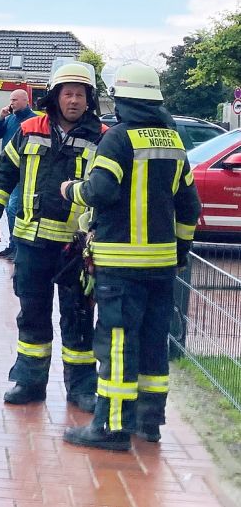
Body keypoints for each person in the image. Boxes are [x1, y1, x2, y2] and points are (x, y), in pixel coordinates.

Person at [61, 64, 201, 451]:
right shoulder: (173, 141)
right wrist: (178, 253)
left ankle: (111, 427)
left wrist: (72, 189)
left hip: (120, 266)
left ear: (122, 100)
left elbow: (101, 191)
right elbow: (190, 207)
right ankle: (149, 423)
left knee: (117, 344)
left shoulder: (118, 139)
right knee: (154, 342)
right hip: (160, 266)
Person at [0, 62, 106, 413]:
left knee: (79, 317)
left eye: (80, 94)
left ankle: (81, 389)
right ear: (55, 95)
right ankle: (30, 382)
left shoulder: (103, 136)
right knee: (32, 313)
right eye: (68, 93)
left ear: (89, 99)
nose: (74, 100)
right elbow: (5, 173)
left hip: (76, 248)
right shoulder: (29, 128)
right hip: (32, 243)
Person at [0, 89, 37, 260]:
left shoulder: (33, 120)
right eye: (11, 100)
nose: (12, 103)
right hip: (8, 170)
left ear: (26, 100)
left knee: (13, 208)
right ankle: (12, 246)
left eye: (15, 100)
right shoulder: (9, 119)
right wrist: (1, 118)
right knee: (9, 208)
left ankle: (18, 247)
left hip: (24, 171)